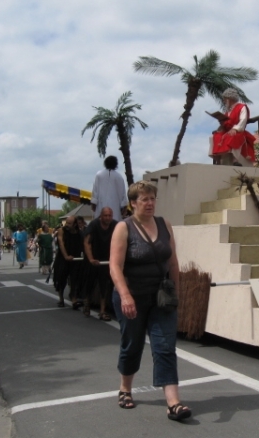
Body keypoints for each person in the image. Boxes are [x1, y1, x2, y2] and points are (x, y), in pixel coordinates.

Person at [110, 181, 190, 421]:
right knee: (132, 344)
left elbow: (173, 262)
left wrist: (175, 291)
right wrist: (125, 295)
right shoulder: (124, 228)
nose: (150, 203)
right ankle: (125, 388)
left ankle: (173, 403)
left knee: (165, 346)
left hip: (160, 297)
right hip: (131, 297)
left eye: (153, 198)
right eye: (144, 199)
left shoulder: (164, 224)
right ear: (133, 203)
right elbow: (115, 266)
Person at [83, 207, 117, 320]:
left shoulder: (115, 225)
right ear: (101, 216)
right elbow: (87, 243)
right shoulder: (94, 225)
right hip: (94, 259)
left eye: (110, 215)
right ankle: (87, 303)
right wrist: (91, 259)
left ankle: (102, 311)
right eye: (105, 215)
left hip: (106, 260)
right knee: (90, 283)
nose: (108, 218)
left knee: (105, 285)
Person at [209, 88, 256, 167]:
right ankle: (218, 159)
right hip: (226, 131)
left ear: (229, 99)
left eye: (225, 99)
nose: (224, 101)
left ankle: (235, 160)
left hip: (239, 131)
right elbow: (226, 123)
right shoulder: (228, 111)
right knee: (213, 137)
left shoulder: (242, 107)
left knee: (233, 136)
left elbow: (243, 119)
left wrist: (235, 128)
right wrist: (221, 123)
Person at [54, 216, 84, 308]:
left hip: (75, 259)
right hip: (63, 259)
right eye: (66, 222)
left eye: (69, 223)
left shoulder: (79, 233)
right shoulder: (61, 231)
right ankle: (61, 299)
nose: (66, 225)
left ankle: (74, 299)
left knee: (75, 280)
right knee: (61, 279)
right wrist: (66, 256)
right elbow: (61, 244)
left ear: (75, 224)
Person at [91, 155, 128, 221]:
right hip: (115, 209)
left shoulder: (99, 175)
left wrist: (94, 203)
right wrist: (124, 206)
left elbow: (95, 191)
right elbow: (123, 194)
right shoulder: (119, 177)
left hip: (101, 206)